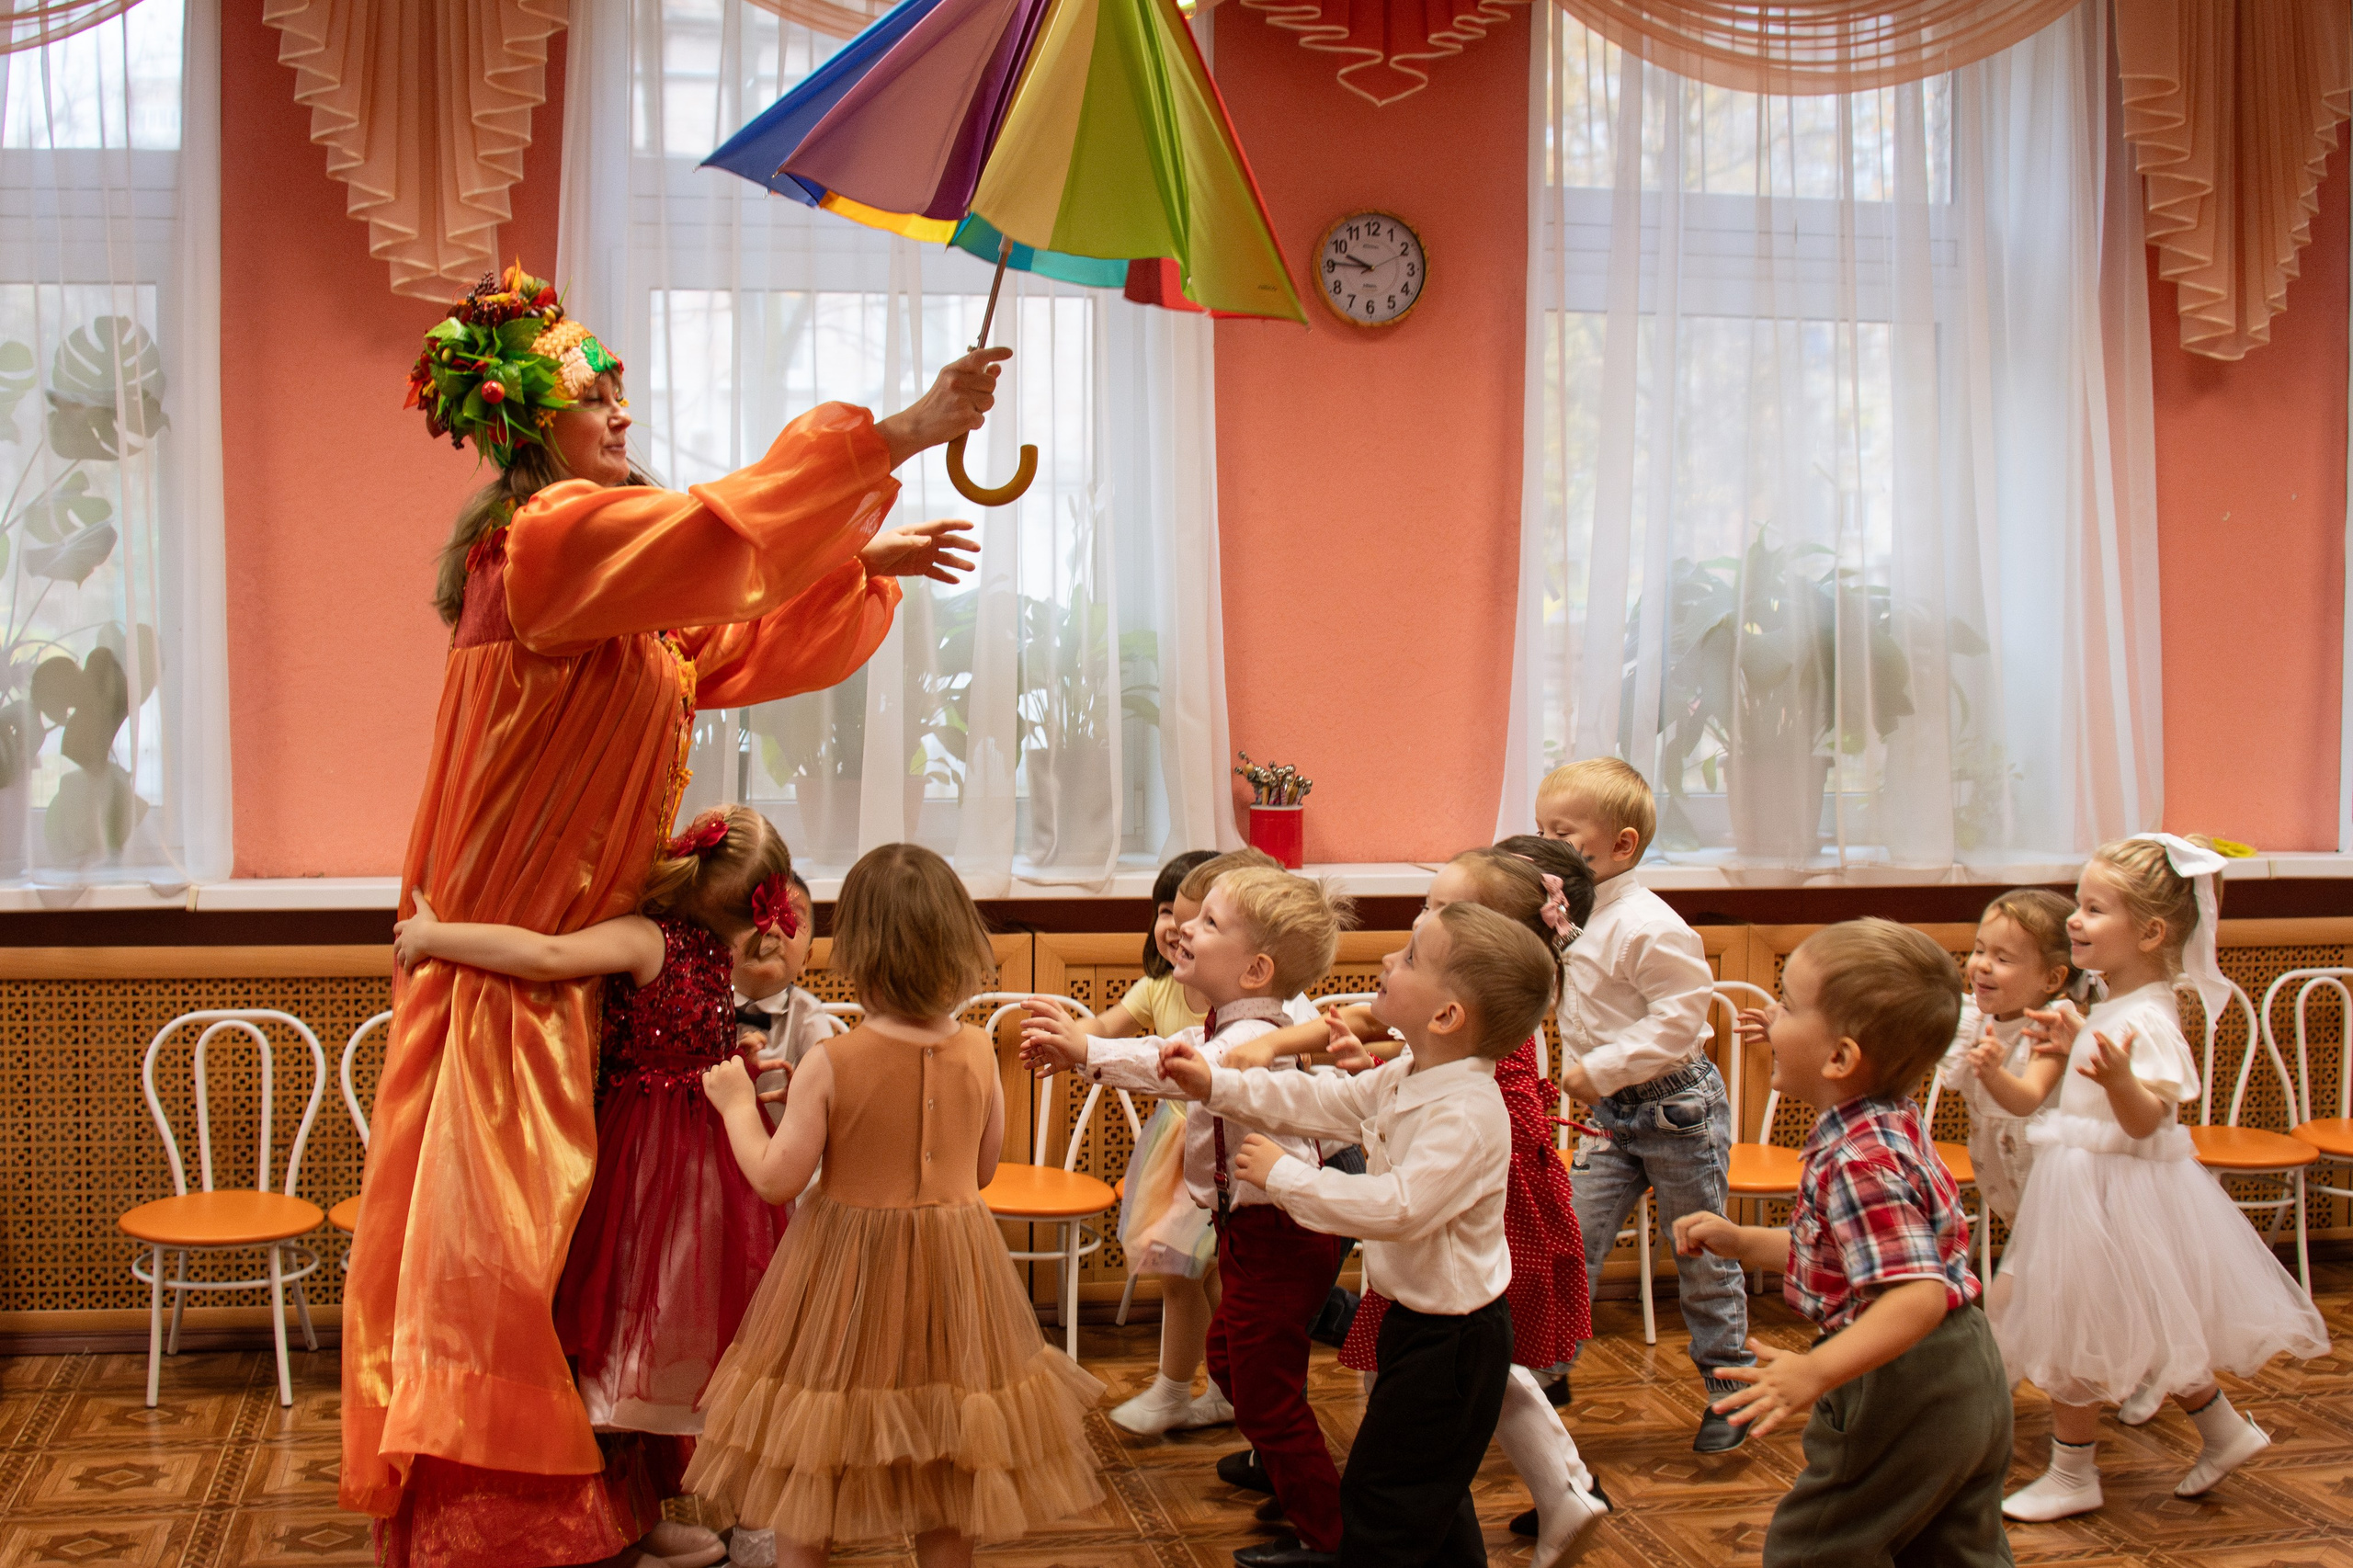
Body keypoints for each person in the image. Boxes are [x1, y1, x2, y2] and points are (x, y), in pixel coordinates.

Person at [343, 263, 1000, 1568]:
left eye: (621, 388)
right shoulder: (542, 547)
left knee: (596, 1260)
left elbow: (725, 632)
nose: (623, 411)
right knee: (510, 1262)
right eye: (597, 395)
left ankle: (615, 1493)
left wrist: (854, 552)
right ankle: (512, 1520)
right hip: (510, 990)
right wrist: (904, 433)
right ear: (531, 423)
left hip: (585, 983)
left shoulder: (612, 597)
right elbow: (710, 541)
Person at [388, 804, 800, 1568]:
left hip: (688, 1172)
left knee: (648, 1348)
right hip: (656, 1171)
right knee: (617, 1347)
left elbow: (551, 957)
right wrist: (435, 940)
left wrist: (731, 1045)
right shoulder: (654, 941)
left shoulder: (703, 948)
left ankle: (635, 1514)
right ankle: (612, 1523)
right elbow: (543, 955)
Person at [686, 843, 1105, 1565]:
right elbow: (978, 1174)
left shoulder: (831, 1059)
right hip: (954, 1282)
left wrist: (734, 1106)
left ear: (859, 950)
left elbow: (776, 1179)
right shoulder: (978, 1050)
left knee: (812, 1455)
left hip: (843, 1286)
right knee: (947, 1462)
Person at [1162, 903, 1564, 1568]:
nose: (1386, 961)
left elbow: (1396, 1207)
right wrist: (1219, 1084)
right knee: (1421, 1503)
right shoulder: (1413, 1075)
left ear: (1445, 1017)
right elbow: (1326, 1102)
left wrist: (1288, 1178)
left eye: (1409, 957)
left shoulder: (1465, 1113)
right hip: (1421, 1329)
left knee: (1385, 1508)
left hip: (1456, 1347)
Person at [1241, 841, 1607, 1562]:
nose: (1423, 923)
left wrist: (1285, 1062)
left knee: (1463, 1366)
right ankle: (1487, 1502)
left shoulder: (1474, 1039)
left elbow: (1415, 1164)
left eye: (1443, 912)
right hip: (1447, 1207)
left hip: (1477, 1204)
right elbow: (1394, 1070)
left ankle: (1552, 1487)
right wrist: (1366, 1074)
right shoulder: (1458, 1022)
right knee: (1443, 1383)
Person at [1986, 835, 2330, 1521]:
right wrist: (2078, 1037)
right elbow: (2089, 1074)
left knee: (2073, 1327)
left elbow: (2147, 1121)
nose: (2075, 921)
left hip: (2112, 1192)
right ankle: (2226, 1431)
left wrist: (2113, 1076)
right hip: (2091, 1185)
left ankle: (2073, 1475)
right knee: (2143, 1324)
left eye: (2093, 909)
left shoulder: (2151, 1019)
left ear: (2150, 932)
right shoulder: (2117, 1006)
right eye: (2078, 906)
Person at [1020, 867, 1355, 1568]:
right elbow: (1176, 1053)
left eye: (1209, 923)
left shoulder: (1252, 1035)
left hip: (1281, 1235)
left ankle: (1331, 1535)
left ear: (1257, 968)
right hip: (1250, 1227)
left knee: (1266, 1389)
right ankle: (1281, 1462)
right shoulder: (1230, 1023)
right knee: (1230, 1356)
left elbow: (1173, 1066)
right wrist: (1088, 1049)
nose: (1184, 928)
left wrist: (1085, 1050)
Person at [1676, 920, 2012, 1568]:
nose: (1771, 1019)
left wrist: (1816, 1370)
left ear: (1839, 1058)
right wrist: (1742, 1240)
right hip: (1965, 1368)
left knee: (1818, 1548)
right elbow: (1852, 1259)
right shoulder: (1888, 1119)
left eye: (1789, 1006)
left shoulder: (1858, 1160)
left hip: (1902, 1380)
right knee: (1954, 1551)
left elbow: (1914, 1296)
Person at [1536, 757, 1754, 1449]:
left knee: (1700, 1252)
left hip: (1674, 1113)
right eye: (1541, 831)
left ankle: (1731, 1389)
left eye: (1563, 835)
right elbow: (1588, 988)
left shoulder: (1651, 925)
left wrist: (1599, 1067)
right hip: (1610, 1116)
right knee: (1572, 1241)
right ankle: (1547, 1372)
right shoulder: (1580, 913)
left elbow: (1681, 1021)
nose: (1548, 847)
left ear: (1621, 845)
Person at [1066, 847, 1232, 1435]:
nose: (1177, 930)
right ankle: (1222, 1387)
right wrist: (1070, 1035)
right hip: (1174, 1147)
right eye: (1167, 912)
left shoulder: (1232, 997)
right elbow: (1107, 1028)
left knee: (1187, 1275)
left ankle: (1175, 1390)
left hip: (1220, 1151)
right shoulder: (1159, 986)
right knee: (1196, 1274)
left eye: (1197, 921)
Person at [1938, 890, 2077, 1239]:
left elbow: (2027, 1099)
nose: (1982, 964)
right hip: (2007, 1183)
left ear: (2051, 979)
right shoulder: (1973, 1017)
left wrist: (1993, 1074)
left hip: (2054, 1184)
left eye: (2003, 958)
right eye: (1980, 949)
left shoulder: (2053, 1026)